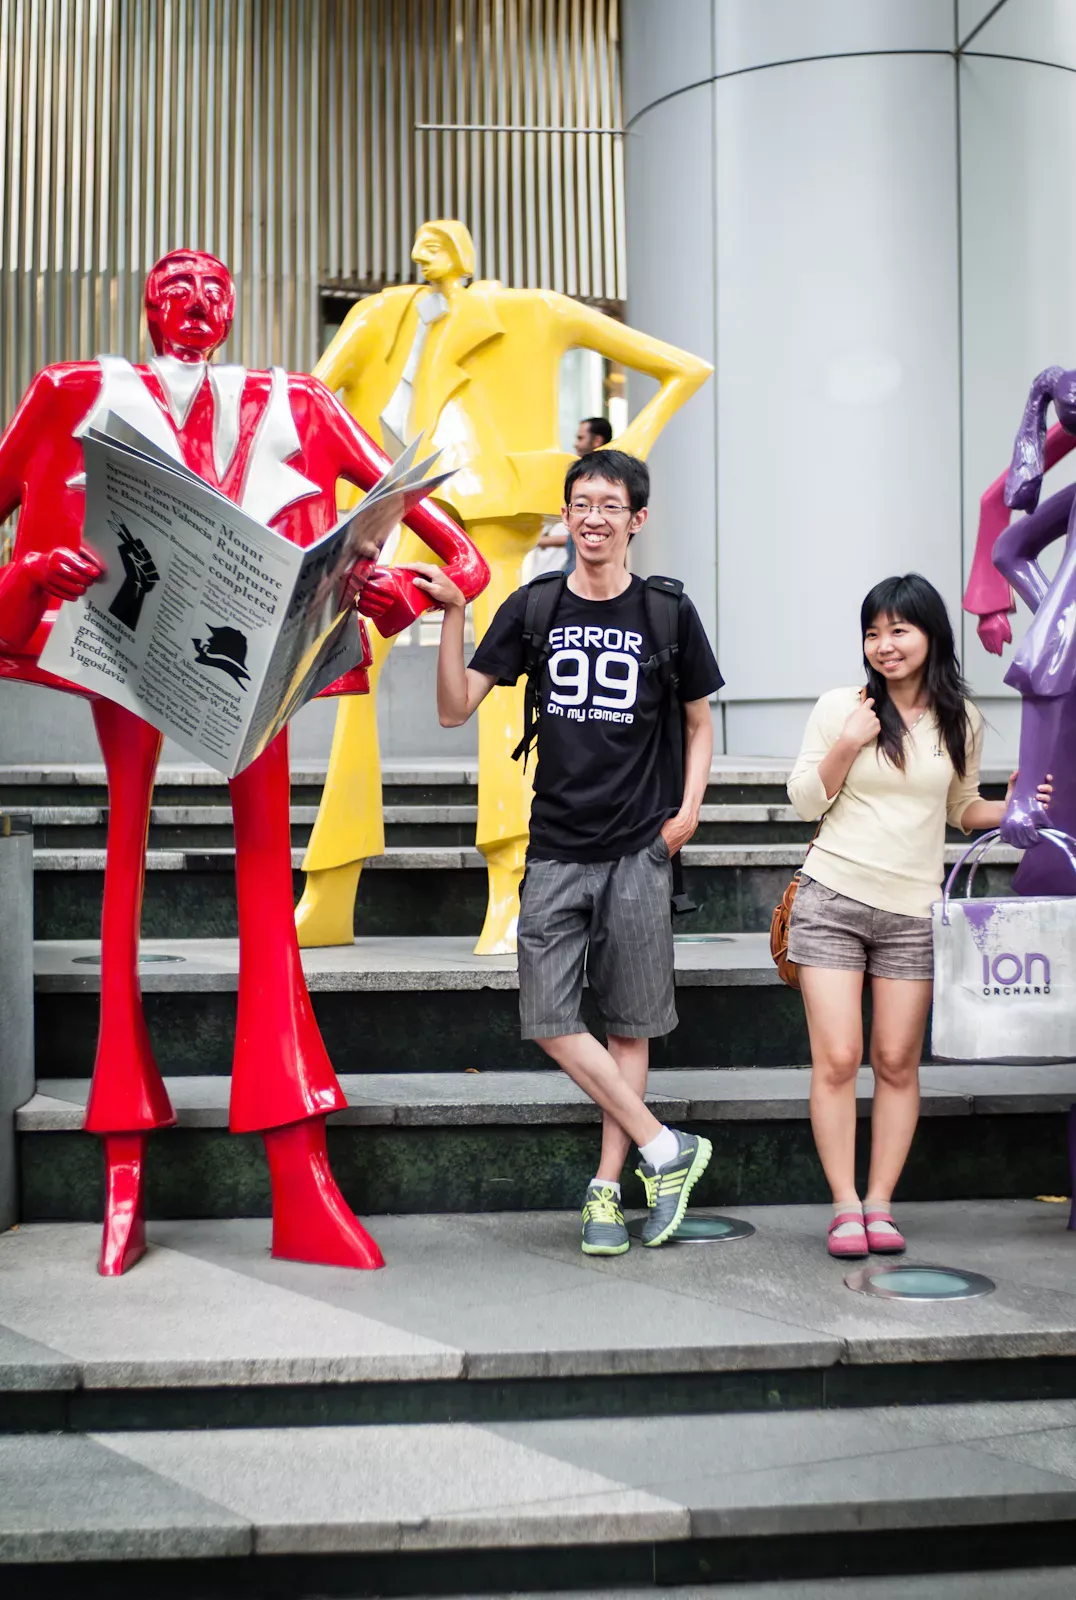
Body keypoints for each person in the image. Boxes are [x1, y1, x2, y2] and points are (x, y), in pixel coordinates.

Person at [295, 219, 712, 956]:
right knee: (354, 668)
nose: (427, 248)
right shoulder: (383, 314)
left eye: (440, 240)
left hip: (494, 510)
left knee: (508, 693)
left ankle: (508, 884)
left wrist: (618, 461)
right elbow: (310, 404)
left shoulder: (533, 311)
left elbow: (685, 368)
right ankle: (331, 883)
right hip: (408, 500)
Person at [392, 448, 724, 1255]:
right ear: (566, 517)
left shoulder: (667, 612)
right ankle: (663, 1146)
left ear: (636, 519)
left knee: (631, 1024)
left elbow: (699, 723)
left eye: (611, 504)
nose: (595, 517)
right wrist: (454, 617)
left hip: (640, 846)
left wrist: (685, 815)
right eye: (582, 504)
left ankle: (608, 1191)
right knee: (547, 1016)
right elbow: (452, 708)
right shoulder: (535, 605)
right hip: (556, 848)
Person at [787, 574, 1053, 1259]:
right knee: (840, 1057)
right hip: (833, 900)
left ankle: (881, 1203)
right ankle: (844, 1205)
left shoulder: (957, 717)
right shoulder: (838, 707)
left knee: (898, 1060)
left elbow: (961, 809)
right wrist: (848, 742)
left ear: (930, 633)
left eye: (899, 629)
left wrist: (1015, 807)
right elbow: (803, 801)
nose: (884, 645)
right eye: (873, 632)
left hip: (912, 910)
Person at [538, 417, 616, 574]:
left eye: (581, 438)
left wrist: (544, 541)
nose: (576, 444)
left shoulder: (608, 479)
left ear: (597, 440)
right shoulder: (583, 475)